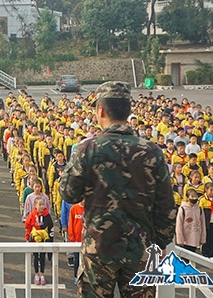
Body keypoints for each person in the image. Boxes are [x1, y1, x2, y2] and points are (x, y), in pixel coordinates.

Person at [59, 81, 176, 298]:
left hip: (99, 249)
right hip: (141, 250)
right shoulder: (152, 152)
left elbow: (68, 193)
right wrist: (161, 243)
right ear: (128, 110)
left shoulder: (87, 149)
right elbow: (167, 208)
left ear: (100, 110)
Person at [24, 196, 54, 285]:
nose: (42, 206)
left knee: (42, 257)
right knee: (36, 257)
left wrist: (50, 238)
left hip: (44, 241)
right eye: (39, 204)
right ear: (35, 206)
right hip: (35, 240)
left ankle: (42, 274)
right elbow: (28, 227)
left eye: (43, 204)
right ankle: (36, 273)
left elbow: (51, 227)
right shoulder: (32, 215)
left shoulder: (47, 215)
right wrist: (28, 238)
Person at [175, 189, 205, 254]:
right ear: (188, 197)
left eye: (196, 196)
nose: (194, 198)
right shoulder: (182, 209)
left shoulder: (199, 209)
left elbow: (203, 224)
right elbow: (179, 225)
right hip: (185, 240)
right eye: (192, 196)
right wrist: (180, 240)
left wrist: (202, 238)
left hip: (195, 238)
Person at [68, 199, 85, 283]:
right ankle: (76, 276)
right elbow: (71, 223)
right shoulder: (74, 208)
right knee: (77, 259)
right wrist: (72, 238)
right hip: (76, 240)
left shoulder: (89, 209)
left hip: (86, 240)